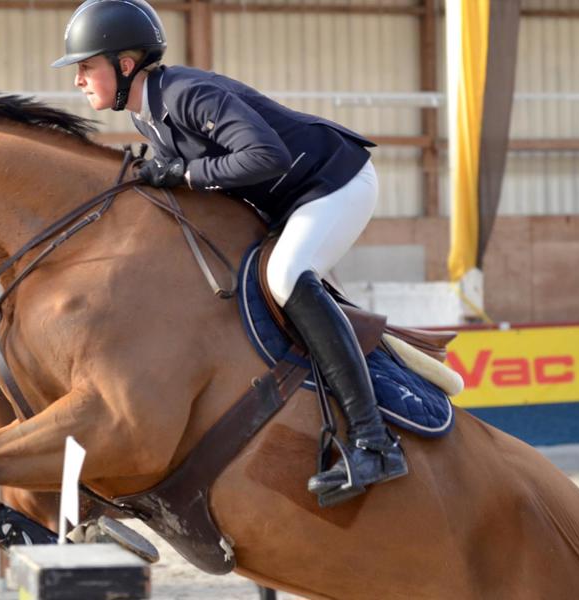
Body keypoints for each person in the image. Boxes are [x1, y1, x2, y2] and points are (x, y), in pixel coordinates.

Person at [51, 0, 407, 507]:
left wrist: (182, 173)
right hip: (289, 200)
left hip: (333, 183)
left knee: (286, 275)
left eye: (86, 67)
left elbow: (267, 157)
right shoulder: (149, 118)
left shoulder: (186, 94)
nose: (78, 80)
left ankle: (374, 442)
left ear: (124, 66)